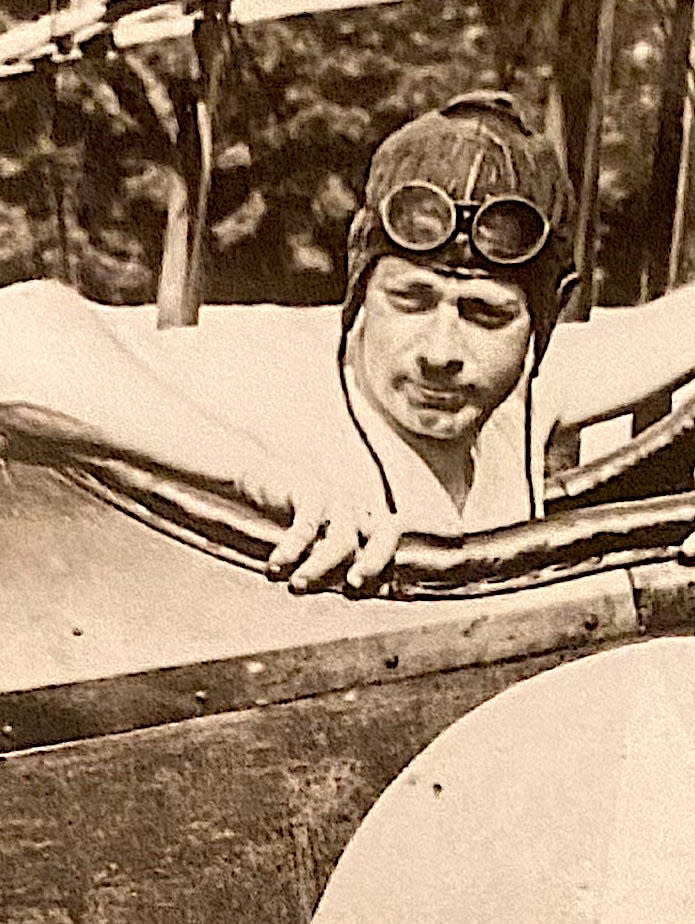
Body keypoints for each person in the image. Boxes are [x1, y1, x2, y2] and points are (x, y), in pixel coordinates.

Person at [1, 90, 694, 594]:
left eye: (484, 314)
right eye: (410, 300)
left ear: (541, 325)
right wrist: (254, 471)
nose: (440, 350)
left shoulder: (524, 392)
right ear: (361, 288)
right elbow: (17, 335)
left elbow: (673, 330)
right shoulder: (280, 374)